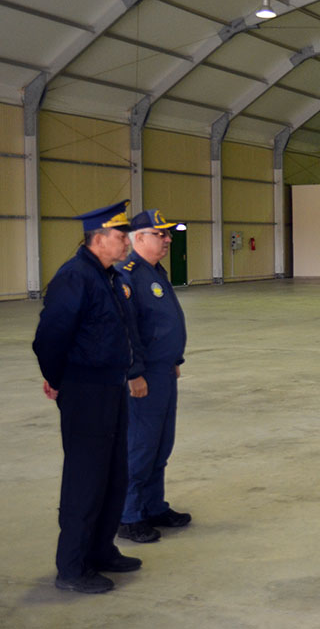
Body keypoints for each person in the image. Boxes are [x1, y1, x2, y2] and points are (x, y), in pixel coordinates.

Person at [32, 200, 145, 594]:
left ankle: (101, 551)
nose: (127, 243)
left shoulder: (107, 276)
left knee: (113, 474)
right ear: (98, 239)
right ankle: (73, 566)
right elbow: (49, 337)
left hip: (111, 387)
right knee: (85, 478)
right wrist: (58, 379)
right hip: (85, 391)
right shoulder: (75, 277)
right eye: (120, 236)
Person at [116, 209, 191, 543]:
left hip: (163, 371)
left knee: (161, 444)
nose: (168, 240)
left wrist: (174, 358)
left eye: (168, 234)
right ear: (139, 238)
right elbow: (126, 330)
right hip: (143, 376)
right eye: (161, 234)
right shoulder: (128, 274)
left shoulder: (155, 271)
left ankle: (153, 506)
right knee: (140, 445)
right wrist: (134, 373)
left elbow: (160, 323)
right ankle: (129, 515)